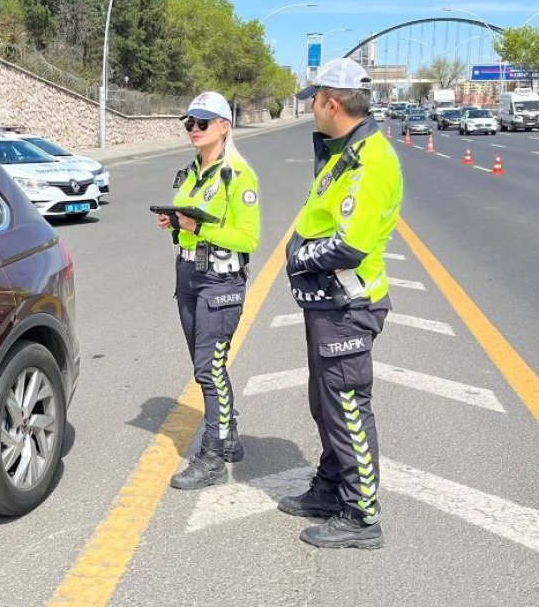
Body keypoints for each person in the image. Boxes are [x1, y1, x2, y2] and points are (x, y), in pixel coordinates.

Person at [279, 58, 403, 549]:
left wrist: (296, 258)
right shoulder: (344, 153)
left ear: (331, 101)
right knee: (326, 403)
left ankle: (361, 515)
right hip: (328, 304)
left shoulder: (371, 158)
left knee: (348, 406)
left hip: (349, 305)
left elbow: (351, 244)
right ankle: (331, 488)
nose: (310, 105)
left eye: (314, 97)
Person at [157, 91, 261, 490]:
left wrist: (197, 227)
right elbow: (186, 227)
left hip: (221, 281)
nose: (194, 130)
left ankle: (213, 457)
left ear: (224, 126)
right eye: (189, 123)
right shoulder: (188, 173)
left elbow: (248, 237)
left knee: (208, 368)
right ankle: (228, 433)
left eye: (202, 123)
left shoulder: (238, 174)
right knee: (207, 368)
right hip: (188, 276)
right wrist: (174, 225)